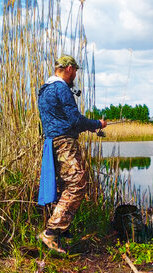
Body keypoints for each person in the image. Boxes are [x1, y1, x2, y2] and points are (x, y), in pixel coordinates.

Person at [37, 55, 107, 253]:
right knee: (77, 183)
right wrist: (96, 125)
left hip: (51, 143)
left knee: (65, 185)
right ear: (68, 68)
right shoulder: (61, 88)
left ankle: (60, 233)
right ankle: (51, 232)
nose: (75, 74)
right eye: (75, 71)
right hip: (64, 142)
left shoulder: (44, 90)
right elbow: (75, 119)